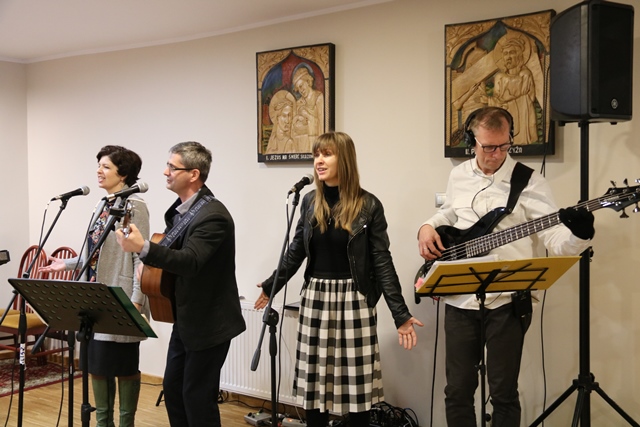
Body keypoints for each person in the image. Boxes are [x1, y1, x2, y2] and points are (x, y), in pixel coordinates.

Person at [417, 106, 595, 427]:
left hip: (508, 303)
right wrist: (427, 226)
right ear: (472, 142)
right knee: (457, 391)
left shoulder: (530, 181)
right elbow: (450, 213)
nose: (496, 154)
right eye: (488, 147)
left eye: (503, 146)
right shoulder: (459, 175)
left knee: (503, 393)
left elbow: (555, 239)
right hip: (460, 300)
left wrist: (579, 235)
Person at [255, 131, 423, 427]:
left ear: (344, 159)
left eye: (327, 154)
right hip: (315, 298)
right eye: (316, 155)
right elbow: (296, 251)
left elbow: (382, 261)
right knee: (315, 385)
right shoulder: (309, 201)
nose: (319, 161)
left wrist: (400, 314)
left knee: (357, 388)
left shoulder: (369, 205)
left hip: (354, 299)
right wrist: (272, 285)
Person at [115, 141, 246, 427]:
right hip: (186, 318)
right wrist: (148, 264)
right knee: (173, 390)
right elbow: (173, 253)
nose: (165, 172)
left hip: (210, 323)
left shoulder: (213, 216)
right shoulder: (183, 211)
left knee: (197, 397)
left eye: (173, 167)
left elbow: (191, 261)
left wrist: (145, 249)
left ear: (193, 174)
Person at [40, 145, 150, 427]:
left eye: (106, 167)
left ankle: (125, 423)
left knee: (124, 366)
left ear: (123, 174)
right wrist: (65, 265)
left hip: (121, 298)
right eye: (99, 165)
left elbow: (142, 257)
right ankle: (103, 423)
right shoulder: (102, 204)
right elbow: (95, 252)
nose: (99, 171)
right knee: (98, 366)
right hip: (94, 298)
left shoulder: (135, 206)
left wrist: (136, 301)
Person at [291, 64, 324, 153]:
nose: (301, 90)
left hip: (315, 142)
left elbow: (321, 125)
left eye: (301, 85)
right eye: (298, 88)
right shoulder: (299, 103)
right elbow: (293, 128)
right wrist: (297, 119)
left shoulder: (318, 98)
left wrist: (307, 115)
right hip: (301, 144)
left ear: (308, 81)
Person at [265, 90, 296, 154]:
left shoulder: (289, 142)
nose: (287, 121)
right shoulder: (273, 140)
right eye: (284, 116)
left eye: (290, 115)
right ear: (277, 118)